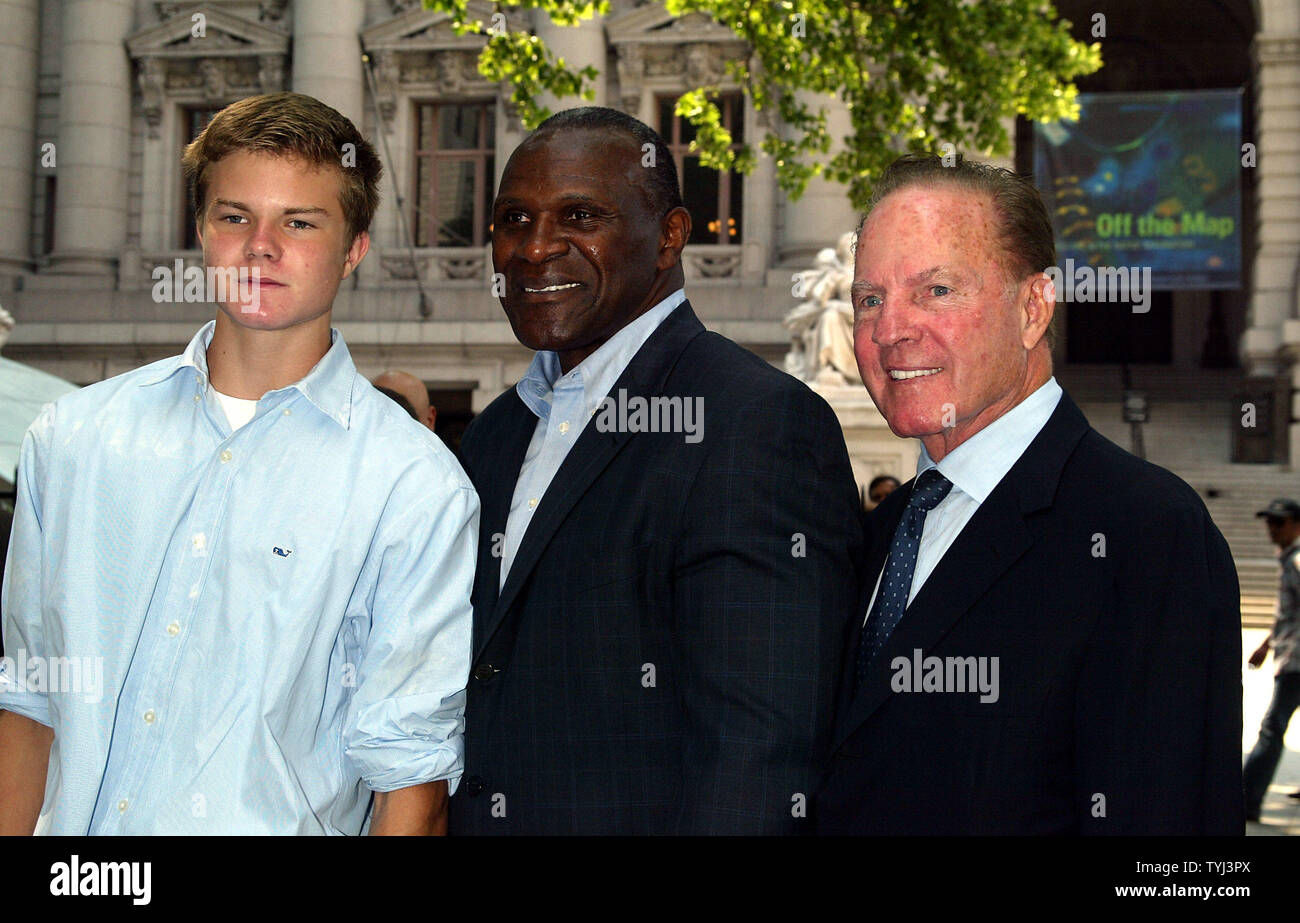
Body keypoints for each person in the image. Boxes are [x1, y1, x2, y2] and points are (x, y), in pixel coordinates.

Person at [0, 92, 478, 835]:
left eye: (299, 221)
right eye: (235, 216)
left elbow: (409, 776)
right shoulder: (72, 438)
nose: (261, 245)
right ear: (201, 232)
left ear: (354, 248)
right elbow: (29, 702)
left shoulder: (414, 485)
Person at [448, 107, 863, 834]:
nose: (535, 247)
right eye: (513, 219)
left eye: (579, 215)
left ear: (671, 235)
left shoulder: (754, 423)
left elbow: (759, 761)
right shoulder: (491, 436)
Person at [814, 154, 1242, 835]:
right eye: (870, 297)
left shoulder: (1147, 534)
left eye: (937, 290)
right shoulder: (877, 529)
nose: (889, 328)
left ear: (1033, 307)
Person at [1243, 498, 1300, 822]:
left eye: (1279, 523)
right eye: (1270, 523)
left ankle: (1247, 799)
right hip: (1289, 654)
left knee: (1271, 728)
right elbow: (1288, 614)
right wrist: (1266, 644)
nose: (1272, 530)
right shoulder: (1289, 558)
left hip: (1296, 662)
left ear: (1295, 524)